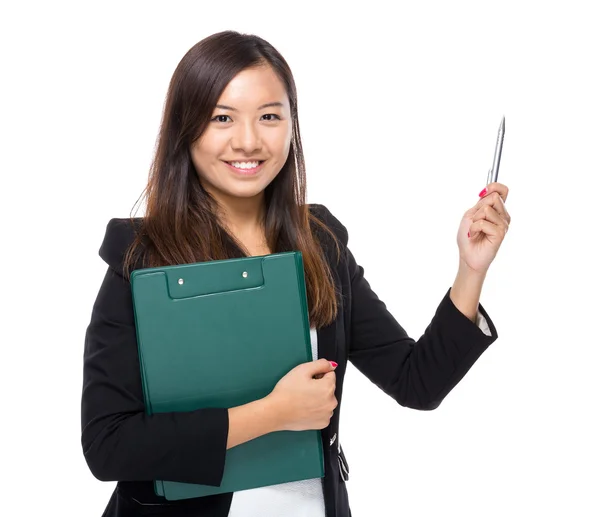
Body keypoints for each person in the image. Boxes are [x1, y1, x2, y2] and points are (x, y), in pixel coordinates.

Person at [81, 30, 510, 517]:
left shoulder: (320, 244)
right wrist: (272, 415)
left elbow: (417, 383)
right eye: (222, 118)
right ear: (187, 129)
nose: (248, 140)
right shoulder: (144, 259)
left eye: (269, 116)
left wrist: (470, 269)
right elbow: (108, 443)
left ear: (291, 126)